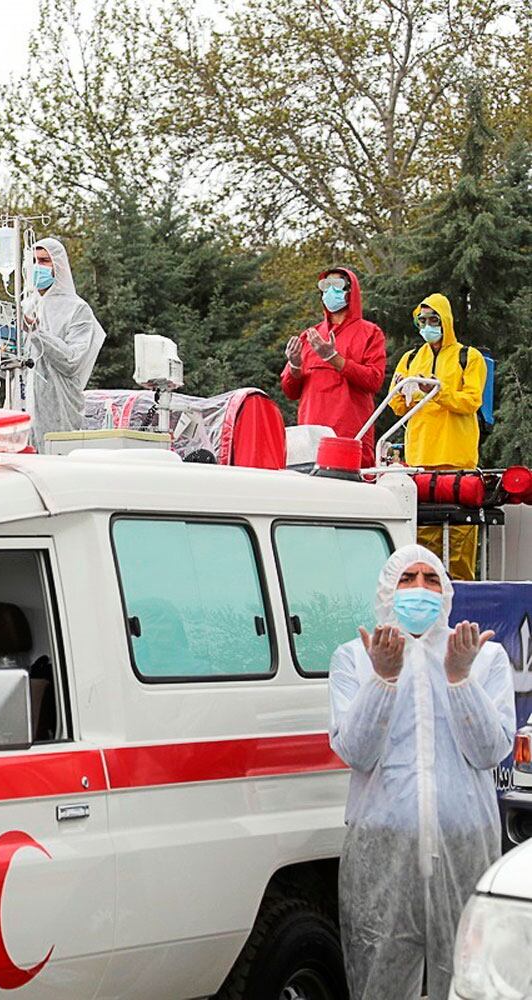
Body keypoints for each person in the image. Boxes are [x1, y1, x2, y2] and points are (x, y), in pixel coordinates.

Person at [329, 544, 513, 1000]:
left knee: (471, 980)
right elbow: (356, 751)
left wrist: (459, 678)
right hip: (383, 852)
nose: (419, 590)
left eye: (431, 580)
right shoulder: (356, 657)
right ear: (386, 591)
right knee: (380, 978)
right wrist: (383, 679)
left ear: (447, 593)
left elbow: (492, 751)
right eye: (407, 579)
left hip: (464, 846)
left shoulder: (481, 658)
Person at [391, 294, 489, 580]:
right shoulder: (410, 358)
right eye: (422, 321)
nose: (427, 326)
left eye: (433, 320)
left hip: (456, 462)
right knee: (421, 546)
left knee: (458, 547)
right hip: (419, 463)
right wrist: (399, 390)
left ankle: (463, 603)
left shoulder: (469, 357)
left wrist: (433, 389)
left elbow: (470, 401)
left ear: (446, 321)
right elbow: (397, 407)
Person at [280, 267, 387, 457]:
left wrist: (333, 358)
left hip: (350, 437)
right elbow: (290, 391)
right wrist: (295, 366)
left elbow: (374, 380)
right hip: (310, 440)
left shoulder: (371, 333)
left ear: (350, 291)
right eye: (325, 286)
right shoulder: (309, 336)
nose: (329, 291)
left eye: (336, 285)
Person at [20, 237, 106, 451]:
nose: (37, 267)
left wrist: (37, 334)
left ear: (58, 265)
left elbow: (71, 361)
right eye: (33, 261)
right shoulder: (26, 306)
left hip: (60, 407)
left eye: (44, 261)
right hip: (22, 411)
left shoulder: (77, 309)